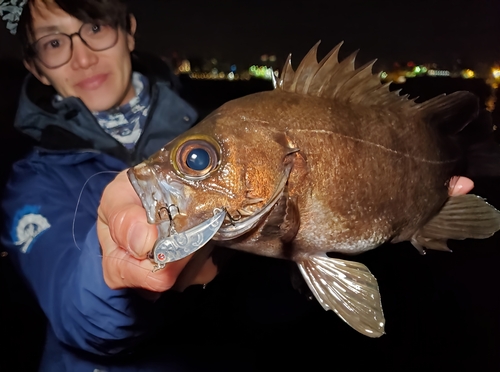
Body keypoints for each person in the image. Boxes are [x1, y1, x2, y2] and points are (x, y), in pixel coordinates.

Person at [0, 0, 476, 371]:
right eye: (54, 43)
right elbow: (76, 316)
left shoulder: (213, 121)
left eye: (95, 29)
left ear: (128, 30)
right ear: (36, 66)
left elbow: (263, 314)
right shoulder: (32, 184)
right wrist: (117, 280)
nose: (82, 57)